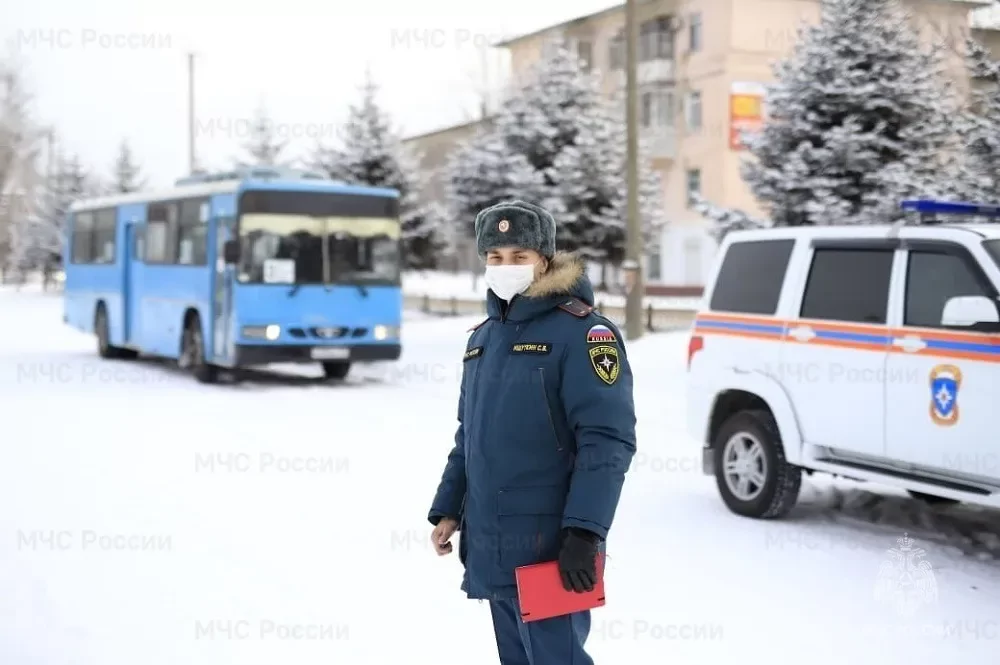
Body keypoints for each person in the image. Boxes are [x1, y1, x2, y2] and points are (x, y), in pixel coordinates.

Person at [427, 200, 637, 664]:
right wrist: (449, 507)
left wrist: (584, 532)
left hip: (551, 543)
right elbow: (470, 434)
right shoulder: (482, 338)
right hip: (491, 535)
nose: (506, 267)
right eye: (495, 257)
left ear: (544, 259)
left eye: (519, 256)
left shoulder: (584, 333)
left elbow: (607, 439)